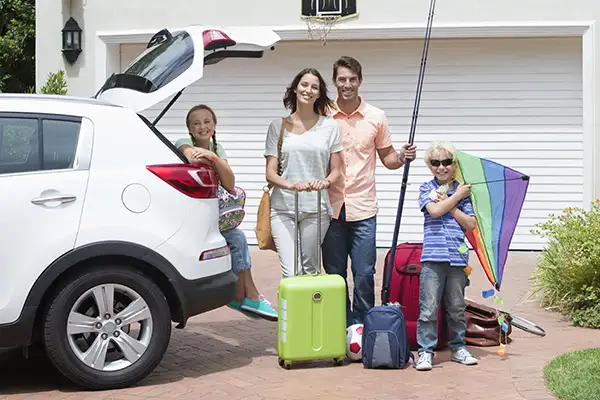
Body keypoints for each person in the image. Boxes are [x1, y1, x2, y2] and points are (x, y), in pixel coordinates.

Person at [322, 56, 417, 327]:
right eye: (342, 79)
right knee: (334, 274)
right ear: (334, 82)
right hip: (330, 210)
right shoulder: (323, 115)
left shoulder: (376, 117)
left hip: (364, 210)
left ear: (360, 81)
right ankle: (340, 327)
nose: (347, 85)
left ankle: (364, 329)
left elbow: (388, 159)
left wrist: (401, 156)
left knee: (364, 274)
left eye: (352, 79)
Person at [176, 104, 278, 321]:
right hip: (194, 217)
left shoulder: (217, 149)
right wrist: (213, 160)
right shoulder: (182, 144)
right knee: (238, 238)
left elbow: (229, 184)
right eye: (196, 123)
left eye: (207, 121)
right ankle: (246, 295)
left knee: (238, 237)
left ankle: (243, 295)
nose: (202, 126)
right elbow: (192, 157)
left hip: (212, 216)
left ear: (214, 125)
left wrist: (214, 158)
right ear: (190, 129)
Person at [264, 68, 343, 278]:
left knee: (310, 271)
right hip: (283, 208)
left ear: (319, 94)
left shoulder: (330, 126)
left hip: (315, 209)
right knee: (291, 272)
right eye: (304, 84)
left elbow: (337, 169)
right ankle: (289, 312)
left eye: (314, 87)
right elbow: (270, 173)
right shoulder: (278, 126)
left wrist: (325, 182)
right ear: (295, 89)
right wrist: (290, 184)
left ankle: (310, 312)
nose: (308, 90)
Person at [415, 140, 479, 371]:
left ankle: (458, 347)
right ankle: (425, 351)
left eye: (446, 162)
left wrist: (453, 203)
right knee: (428, 308)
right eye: (435, 162)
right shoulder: (426, 189)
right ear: (429, 165)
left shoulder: (464, 191)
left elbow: (470, 224)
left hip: (457, 257)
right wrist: (455, 198)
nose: (441, 167)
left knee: (456, 306)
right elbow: (434, 211)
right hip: (433, 257)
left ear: (454, 164)